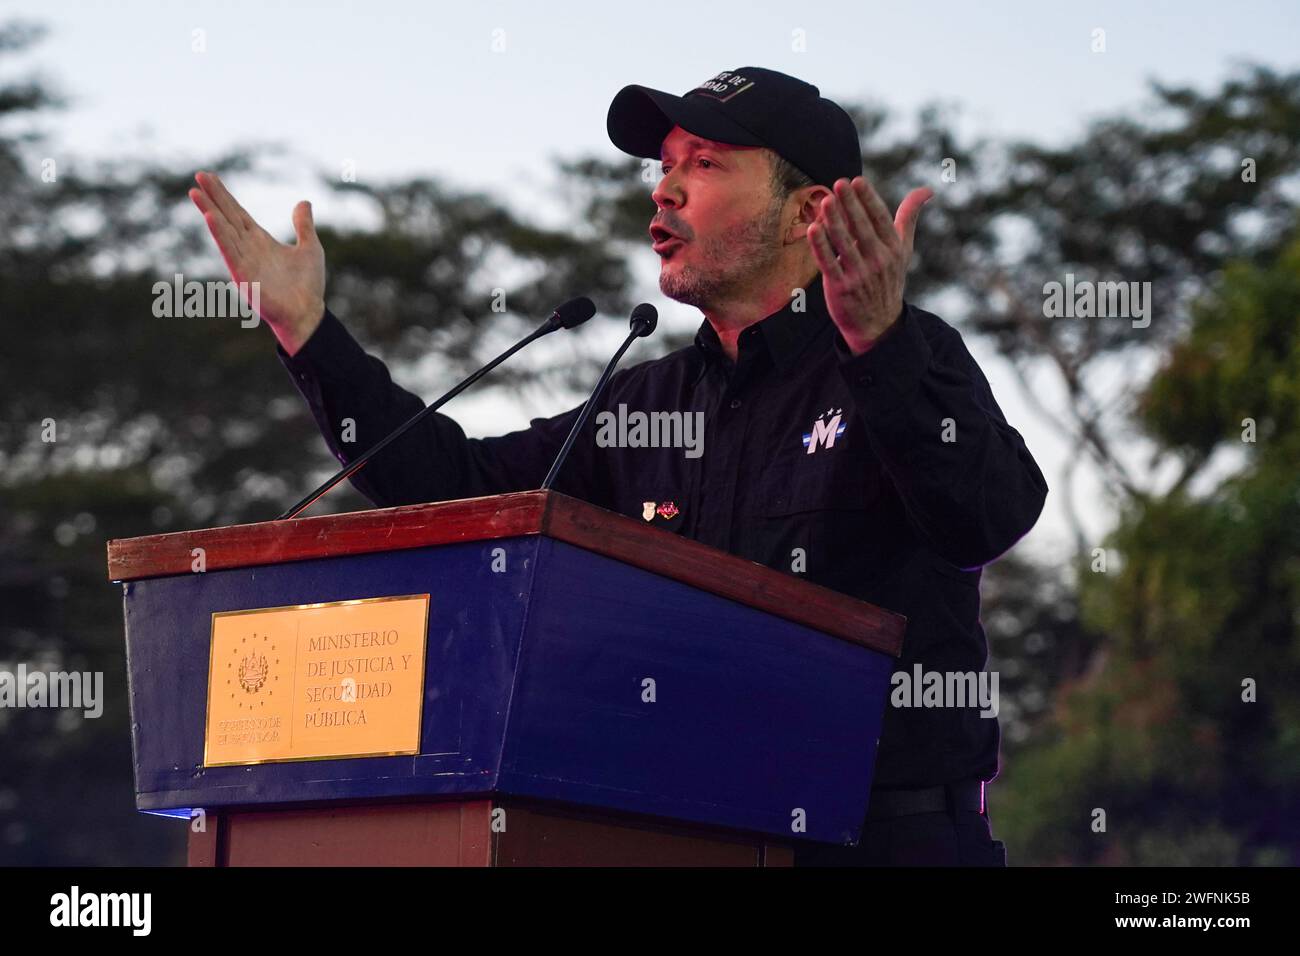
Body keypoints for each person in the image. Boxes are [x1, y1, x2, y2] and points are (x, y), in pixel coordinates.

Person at [188, 65, 1047, 866]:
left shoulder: (907, 355)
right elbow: (446, 483)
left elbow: (988, 517)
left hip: (887, 844)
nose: (663, 188)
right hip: (683, 840)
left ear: (807, 212)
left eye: (703, 164)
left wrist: (880, 345)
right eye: (665, 165)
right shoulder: (643, 404)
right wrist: (307, 331)